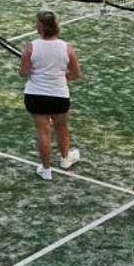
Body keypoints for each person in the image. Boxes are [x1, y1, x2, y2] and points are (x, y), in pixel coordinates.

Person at [19, 9, 82, 180]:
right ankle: (65, 159)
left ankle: (46, 170)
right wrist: (62, 77)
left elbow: (24, 73)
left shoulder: (30, 47)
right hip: (59, 96)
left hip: (35, 96)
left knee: (43, 131)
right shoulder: (67, 48)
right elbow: (76, 74)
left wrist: (31, 69)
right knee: (61, 128)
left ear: (40, 28)